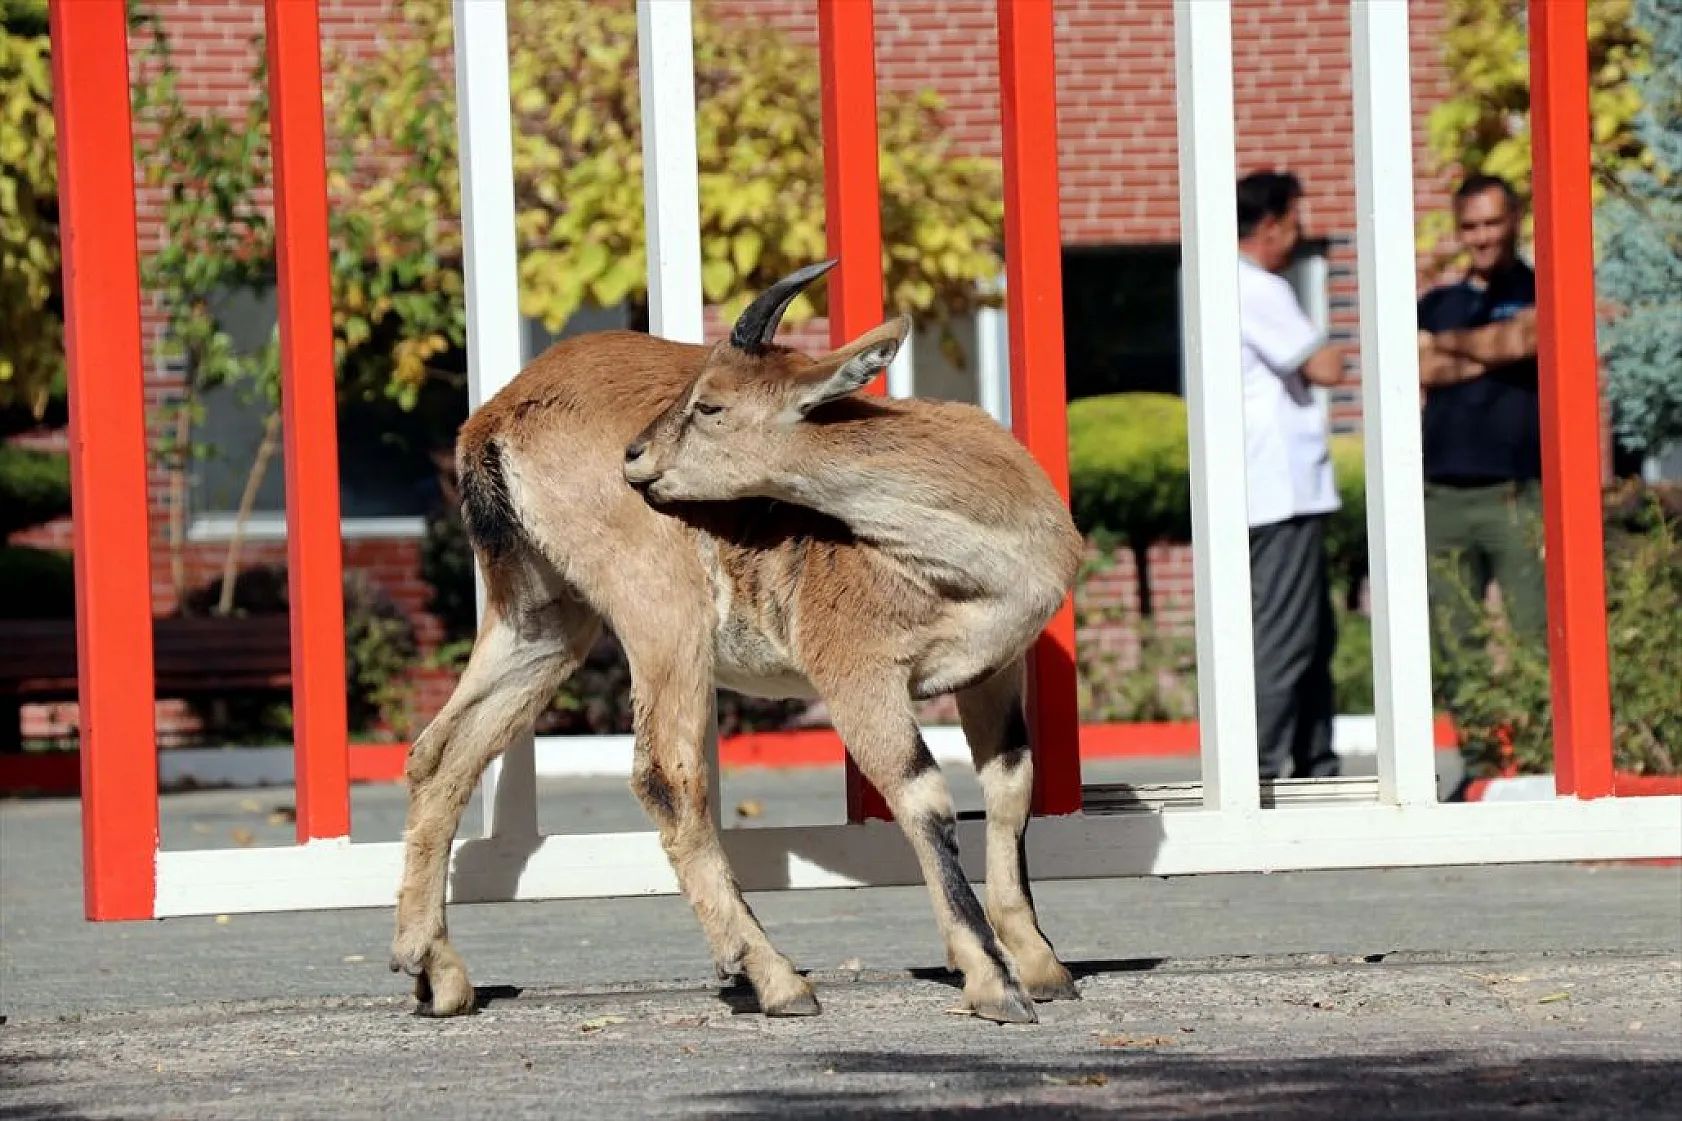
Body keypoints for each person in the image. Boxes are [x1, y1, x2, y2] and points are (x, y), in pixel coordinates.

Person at [1415, 172, 1547, 796]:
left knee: (1533, 634)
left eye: (1493, 223)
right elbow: (1417, 362)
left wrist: (1452, 354)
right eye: (1471, 226)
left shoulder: (1537, 286)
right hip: (1443, 496)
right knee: (1454, 640)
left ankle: (1544, 762)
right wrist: (1492, 347)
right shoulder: (1437, 302)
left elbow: (1530, 336)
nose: (1483, 236)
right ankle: (1479, 768)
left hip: (1519, 492)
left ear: (1514, 220)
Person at [1235, 170, 1346, 781]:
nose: (1300, 237)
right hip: (1282, 493)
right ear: (1271, 224)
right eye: (1296, 224)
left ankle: (1316, 759)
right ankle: (1264, 768)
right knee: (1286, 637)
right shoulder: (1257, 288)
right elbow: (1325, 365)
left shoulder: (1228, 286)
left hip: (1272, 491)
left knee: (1311, 634)